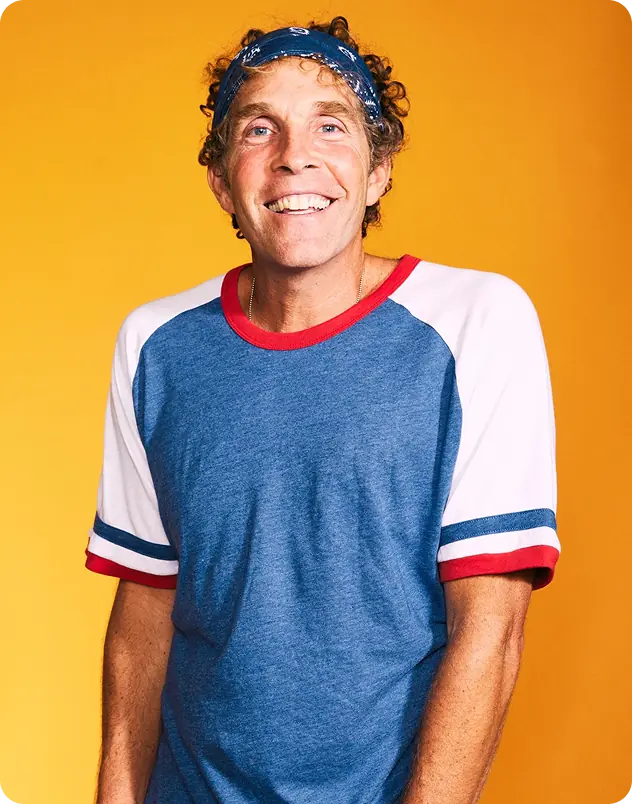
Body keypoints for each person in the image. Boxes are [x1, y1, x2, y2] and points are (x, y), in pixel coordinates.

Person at [85, 15, 561, 804]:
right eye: (258, 128)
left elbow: (492, 627)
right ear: (219, 180)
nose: (293, 155)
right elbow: (144, 612)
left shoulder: (478, 322)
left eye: (330, 125)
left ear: (377, 173)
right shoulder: (155, 344)